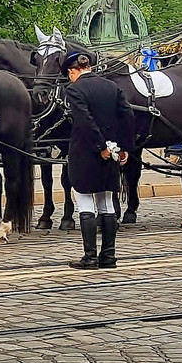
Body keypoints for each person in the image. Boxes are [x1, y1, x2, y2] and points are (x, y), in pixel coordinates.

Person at [61, 49, 133, 269]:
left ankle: (90, 257)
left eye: (69, 74)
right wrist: (123, 147)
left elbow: (84, 121)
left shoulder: (74, 89)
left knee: (85, 203)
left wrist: (100, 146)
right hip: (113, 152)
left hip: (86, 152)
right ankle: (108, 256)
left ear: (73, 71)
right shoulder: (112, 86)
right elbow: (128, 115)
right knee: (106, 203)